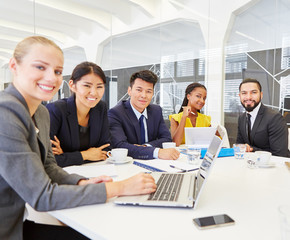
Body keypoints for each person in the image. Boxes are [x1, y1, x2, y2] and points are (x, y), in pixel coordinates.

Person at [0, 36, 156, 240]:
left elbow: (48, 166)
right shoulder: (5, 113)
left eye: (57, 71)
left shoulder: (41, 113)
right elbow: (42, 196)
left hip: (18, 222)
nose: (51, 78)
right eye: (40, 67)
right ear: (14, 66)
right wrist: (119, 188)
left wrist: (83, 182)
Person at [46, 62, 110, 167]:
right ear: (72, 85)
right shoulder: (56, 110)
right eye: (87, 86)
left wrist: (66, 156)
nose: (94, 92)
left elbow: (106, 149)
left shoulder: (100, 108)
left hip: (94, 171)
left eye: (99, 87)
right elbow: (49, 159)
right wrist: (85, 155)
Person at [108, 70, 180, 160]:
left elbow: (166, 139)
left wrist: (146, 146)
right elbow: (120, 146)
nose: (144, 95)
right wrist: (156, 152)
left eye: (149, 91)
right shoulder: (116, 113)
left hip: (153, 163)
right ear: (129, 91)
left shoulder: (156, 111)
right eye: (139, 90)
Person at [236, 78, 289, 157]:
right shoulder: (242, 118)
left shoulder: (275, 118)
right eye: (244, 93)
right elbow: (239, 146)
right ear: (240, 96)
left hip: (275, 167)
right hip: (251, 165)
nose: (248, 97)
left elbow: (279, 155)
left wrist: (251, 149)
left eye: (253, 92)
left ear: (261, 95)